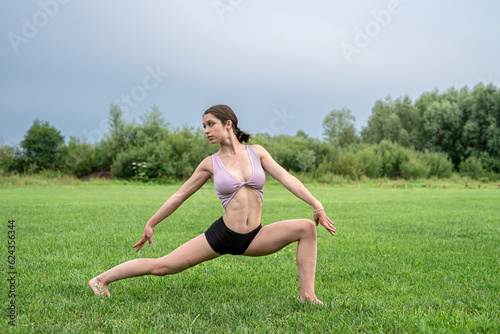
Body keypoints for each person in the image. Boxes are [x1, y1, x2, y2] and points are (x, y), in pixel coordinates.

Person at [89, 104, 336, 304]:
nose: (206, 130)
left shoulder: (257, 153)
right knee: (163, 267)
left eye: (210, 124)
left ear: (228, 124)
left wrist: (317, 205)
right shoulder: (210, 163)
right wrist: (152, 222)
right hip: (223, 235)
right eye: (204, 126)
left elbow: (287, 178)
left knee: (306, 228)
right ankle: (101, 280)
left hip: (255, 236)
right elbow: (179, 196)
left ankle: (308, 296)